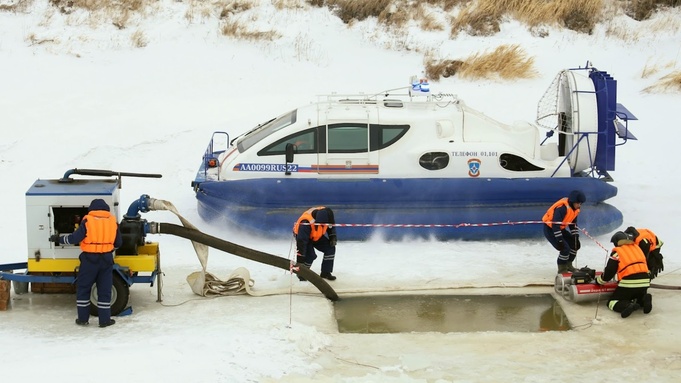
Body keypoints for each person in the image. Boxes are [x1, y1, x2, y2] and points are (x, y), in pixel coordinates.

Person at [50, 199, 122, 328]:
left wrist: (59, 239)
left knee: (84, 288)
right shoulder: (113, 221)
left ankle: (83, 319)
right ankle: (104, 320)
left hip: (89, 260)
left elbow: (75, 238)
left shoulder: (88, 220)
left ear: (92, 209)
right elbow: (118, 243)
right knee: (105, 290)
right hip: (106, 260)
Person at [595, 231, 652, 318]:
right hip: (645, 282)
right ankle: (643, 300)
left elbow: (610, 271)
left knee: (612, 302)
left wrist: (599, 281)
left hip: (629, 283)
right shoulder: (637, 249)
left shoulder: (617, 252)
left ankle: (627, 305)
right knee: (635, 296)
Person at [542, 190, 585, 273]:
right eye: (578, 203)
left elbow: (573, 224)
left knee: (575, 245)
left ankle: (568, 265)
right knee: (565, 248)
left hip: (560, 229)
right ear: (573, 202)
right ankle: (562, 270)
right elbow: (555, 225)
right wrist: (560, 239)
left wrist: (575, 236)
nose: (579, 205)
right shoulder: (562, 208)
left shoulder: (575, 210)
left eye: (581, 203)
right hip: (550, 229)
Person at [293, 206, 337, 281]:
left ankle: (325, 272)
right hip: (304, 237)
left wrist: (332, 236)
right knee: (310, 256)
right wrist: (300, 258)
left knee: (330, 249)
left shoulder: (327, 214)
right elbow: (302, 241)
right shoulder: (306, 222)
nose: (324, 226)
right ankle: (302, 273)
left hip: (316, 236)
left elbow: (330, 226)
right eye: (322, 224)